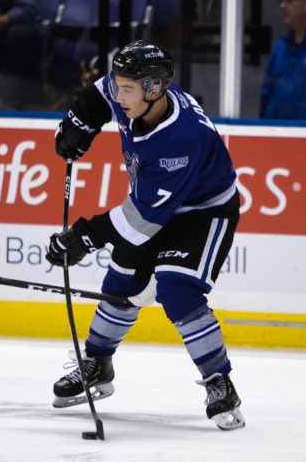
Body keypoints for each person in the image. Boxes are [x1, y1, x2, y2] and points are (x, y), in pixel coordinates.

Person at [46, 40, 245, 431]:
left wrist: (85, 236)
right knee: (122, 282)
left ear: (155, 90)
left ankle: (219, 381)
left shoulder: (180, 140)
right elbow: (101, 91)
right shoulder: (136, 92)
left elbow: (141, 222)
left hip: (203, 213)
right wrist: (80, 119)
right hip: (153, 206)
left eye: (127, 90)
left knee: (177, 289)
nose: (118, 96)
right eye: (119, 86)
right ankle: (98, 364)